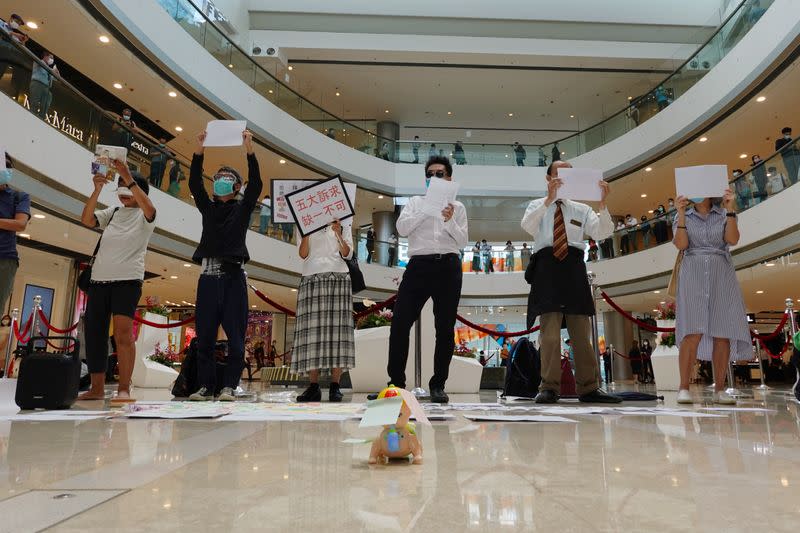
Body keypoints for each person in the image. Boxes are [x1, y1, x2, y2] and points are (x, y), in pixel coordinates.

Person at [521, 160, 619, 404]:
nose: (564, 177)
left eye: (568, 173)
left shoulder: (581, 209)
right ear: (548, 178)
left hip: (574, 268)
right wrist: (548, 200)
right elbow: (528, 226)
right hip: (546, 269)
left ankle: (589, 387)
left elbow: (602, 233)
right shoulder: (537, 205)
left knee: (581, 333)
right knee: (550, 334)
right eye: (558, 173)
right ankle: (549, 387)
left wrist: (603, 204)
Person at [383, 156, 468, 403]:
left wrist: (449, 219)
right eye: (430, 174)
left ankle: (438, 385)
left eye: (440, 174)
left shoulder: (458, 208)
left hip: (449, 266)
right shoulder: (414, 202)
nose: (434, 178)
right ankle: (396, 384)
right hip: (419, 265)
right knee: (399, 323)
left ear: (450, 178)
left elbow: (462, 241)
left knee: (444, 328)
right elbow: (402, 228)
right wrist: (426, 209)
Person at [188, 129, 262, 401]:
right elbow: (195, 184)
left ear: (237, 186)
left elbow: (256, 185)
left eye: (226, 179)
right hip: (207, 277)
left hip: (233, 277)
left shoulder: (242, 210)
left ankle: (230, 385)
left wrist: (249, 151)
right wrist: (199, 151)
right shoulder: (208, 208)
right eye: (217, 178)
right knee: (205, 336)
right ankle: (206, 386)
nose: (220, 181)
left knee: (235, 335)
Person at [78, 161, 157, 402]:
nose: (122, 190)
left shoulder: (145, 215)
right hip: (99, 280)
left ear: (138, 189)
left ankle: (124, 387)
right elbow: (87, 220)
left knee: (123, 334)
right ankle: (97, 388)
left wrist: (128, 177)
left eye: (127, 185)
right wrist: (97, 189)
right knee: (95, 334)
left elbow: (150, 208)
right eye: (119, 185)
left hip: (128, 281)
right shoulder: (112, 212)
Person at [673, 190, 750, 405]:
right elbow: (681, 245)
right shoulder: (684, 216)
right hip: (692, 273)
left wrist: (731, 210)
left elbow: (732, 239)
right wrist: (680, 213)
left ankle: (720, 389)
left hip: (721, 273)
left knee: (722, 331)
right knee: (692, 331)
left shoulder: (724, 213)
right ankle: (683, 387)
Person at [292, 218, 355, 402]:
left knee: (338, 333)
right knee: (312, 333)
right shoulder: (304, 220)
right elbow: (303, 254)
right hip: (311, 276)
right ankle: (313, 386)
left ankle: (336, 385)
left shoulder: (344, 222)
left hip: (339, 277)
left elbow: (348, 254)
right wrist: (305, 233)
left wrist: (338, 232)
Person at [0, 154, 30, 314]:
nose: (6, 168)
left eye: (9, 166)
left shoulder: (19, 196)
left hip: (5, 259)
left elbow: (20, 224)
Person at [0, 14, 29, 100]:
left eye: (19, 24)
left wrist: (23, 41)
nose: (17, 25)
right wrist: (13, 34)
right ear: (11, 19)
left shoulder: (14, 36)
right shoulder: (1, 23)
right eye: (17, 22)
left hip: (3, 60)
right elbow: (3, 32)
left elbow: (21, 49)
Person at [28, 50, 59, 119]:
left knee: (46, 102)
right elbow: (43, 67)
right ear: (45, 56)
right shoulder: (38, 62)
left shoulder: (50, 70)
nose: (52, 60)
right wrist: (52, 71)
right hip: (37, 84)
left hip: (46, 88)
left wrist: (57, 73)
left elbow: (56, 79)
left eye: (52, 58)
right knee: (34, 103)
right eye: (50, 57)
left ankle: (41, 117)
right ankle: (31, 117)